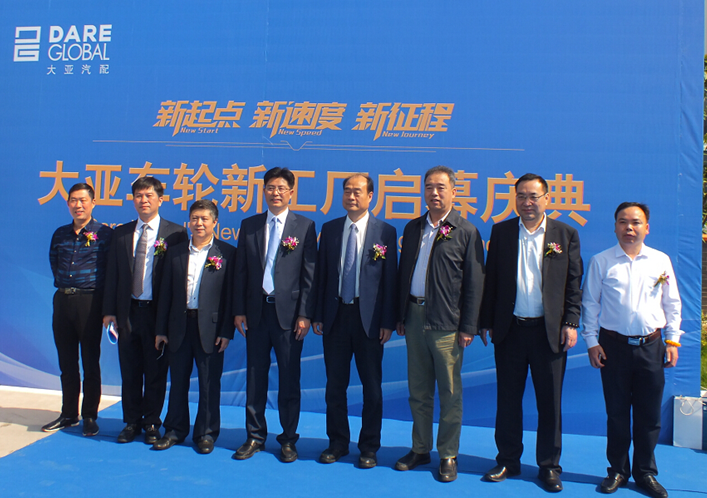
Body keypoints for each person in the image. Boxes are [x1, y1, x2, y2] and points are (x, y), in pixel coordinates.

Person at [479, 173, 583, 492]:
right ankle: (508, 460)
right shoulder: (502, 232)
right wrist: (486, 320)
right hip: (510, 330)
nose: (527, 202)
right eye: (521, 196)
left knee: (549, 403)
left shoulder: (564, 234)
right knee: (508, 400)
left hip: (548, 333)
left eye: (533, 196)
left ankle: (549, 465)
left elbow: (574, 284)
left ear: (546, 199)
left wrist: (571, 322)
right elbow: (491, 279)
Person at [581, 202, 681, 498]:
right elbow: (590, 304)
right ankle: (617, 471)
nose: (629, 228)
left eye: (636, 222)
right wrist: (591, 342)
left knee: (649, 415)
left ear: (646, 227)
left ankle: (645, 472)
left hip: (652, 346)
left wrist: (672, 341)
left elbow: (672, 303)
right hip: (613, 347)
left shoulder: (660, 260)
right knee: (617, 413)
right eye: (623, 222)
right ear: (614, 226)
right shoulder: (601, 261)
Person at [394, 165, 485, 482]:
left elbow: (475, 283)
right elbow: (403, 273)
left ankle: (448, 454)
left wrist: (468, 326)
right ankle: (420, 448)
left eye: (441, 187)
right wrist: (400, 315)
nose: (434, 193)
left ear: (454, 192)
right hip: (413, 316)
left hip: (447, 322)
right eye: (429, 187)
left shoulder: (466, 231)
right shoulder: (413, 228)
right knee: (418, 390)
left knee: (449, 392)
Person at [232, 167, 317, 463]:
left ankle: (288, 438)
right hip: (256, 312)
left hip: (289, 317)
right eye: (270, 187)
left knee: (289, 378)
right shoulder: (250, 225)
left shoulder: (304, 226)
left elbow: (309, 275)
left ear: (291, 192)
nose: (275, 193)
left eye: (281, 188)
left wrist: (305, 313)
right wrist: (239, 310)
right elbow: (241, 271)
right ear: (264, 190)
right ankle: (255, 436)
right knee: (255, 377)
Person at [313, 174, 398, 469]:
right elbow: (322, 275)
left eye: (358, 192)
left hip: (369, 320)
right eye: (347, 191)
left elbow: (390, 280)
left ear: (370, 196)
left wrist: (387, 321)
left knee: (371, 388)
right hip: (336, 316)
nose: (352, 196)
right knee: (335, 386)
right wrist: (318, 315)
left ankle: (369, 447)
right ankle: (337, 442)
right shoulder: (330, 229)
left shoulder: (385, 232)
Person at [102, 176, 188, 444]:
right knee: (129, 370)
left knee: (155, 371)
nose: (143, 200)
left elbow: (178, 278)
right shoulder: (121, 233)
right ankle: (131, 422)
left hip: (157, 313)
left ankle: (151, 421)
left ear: (160, 199)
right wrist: (109, 311)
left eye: (149, 195)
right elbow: (112, 275)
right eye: (138, 196)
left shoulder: (175, 234)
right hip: (127, 312)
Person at [152, 200, 236, 454]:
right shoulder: (176, 252)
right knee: (178, 381)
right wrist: (161, 329)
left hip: (210, 329)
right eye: (195, 218)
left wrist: (226, 331)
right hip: (179, 326)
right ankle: (174, 430)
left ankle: (206, 434)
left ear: (215, 223)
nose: (199, 223)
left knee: (209, 384)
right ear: (189, 221)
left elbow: (230, 298)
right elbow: (165, 293)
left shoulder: (227, 253)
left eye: (204, 219)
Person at [44, 183, 113, 436]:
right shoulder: (60, 234)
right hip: (63, 300)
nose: (78, 205)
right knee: (67, 361)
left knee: (90, 362)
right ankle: (68, 413)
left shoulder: (104, 234)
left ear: (93, 203)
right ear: (68, 204)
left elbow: (110, 272)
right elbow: (54, 262)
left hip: (90, 302)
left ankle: (90, 416)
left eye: (83, 200)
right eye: (73, 200)